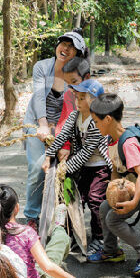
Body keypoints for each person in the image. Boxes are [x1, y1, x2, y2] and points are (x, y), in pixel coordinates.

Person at [86, 93, 140, 276]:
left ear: (107, 119)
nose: (95, 126)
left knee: (113, 219)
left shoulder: (128, 144)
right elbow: (115, 168)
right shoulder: (110, 140)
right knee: (104, 207)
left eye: (96, 122)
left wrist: (133, 202)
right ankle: (110, 251)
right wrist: (112, 189)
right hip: (128, 187)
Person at [22, 31, 87, 227]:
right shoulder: (42, 66)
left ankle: (61, 219)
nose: (65, 49)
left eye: (71, 46)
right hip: (36, 122)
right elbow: (39, 96)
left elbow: (73, 105)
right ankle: (32, 216)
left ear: (78, 53)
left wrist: (62, 138)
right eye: (63, 44)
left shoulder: (77, 74)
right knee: (38, 169)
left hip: (63, 126)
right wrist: (43, 125)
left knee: (64, 171)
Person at [41, 79, 109, 253]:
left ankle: (99, 238)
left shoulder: (96, 121)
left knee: (95, 199)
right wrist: (48, 156)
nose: (77, 101)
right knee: (75, 198)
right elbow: (62, 137)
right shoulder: (74, 116)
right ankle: (72, 235)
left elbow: (87, 151)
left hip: (100, 166)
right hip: (84, 167)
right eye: (77, 97)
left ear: (94, 101)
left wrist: (64, 169)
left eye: (81, 98)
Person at [0, 183, 76, 278]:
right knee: (55, 251)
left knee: (36, 265)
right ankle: (59, 228)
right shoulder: (26, 232)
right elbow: (48, 267)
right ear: (17, 208)